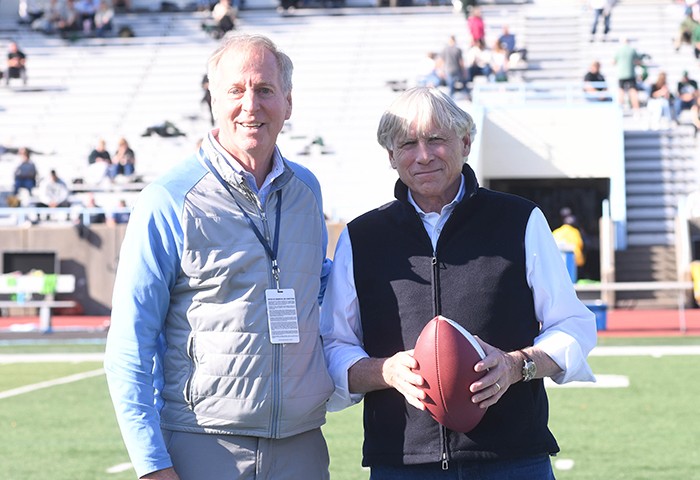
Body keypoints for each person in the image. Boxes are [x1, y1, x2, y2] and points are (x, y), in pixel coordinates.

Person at [320, 87, 597, 479]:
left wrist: (517, 366)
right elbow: (334, 345)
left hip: (513, 459)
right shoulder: (362, 236)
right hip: (402, 463)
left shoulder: (520, 220)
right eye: (408, 144)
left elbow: (573, 325)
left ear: (465, 143)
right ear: (390, 156)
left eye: (436, 139)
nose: (424, 155)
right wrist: (385, 372)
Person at [104, 33, 334, 480]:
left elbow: (318, 289)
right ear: (212, 99)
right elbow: (128, 346)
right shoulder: (168, 199)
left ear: (288, 102)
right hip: (204, 444)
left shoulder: (307, 192)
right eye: (236, 90)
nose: (251, 105)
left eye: (265, 90)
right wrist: (152, 465)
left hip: (302, 446)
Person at [613, 37, 640, 114]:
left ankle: (619, 109)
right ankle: (636, 110)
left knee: (621, 91)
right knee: (633, 91)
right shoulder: (632, 50)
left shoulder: (618, 50)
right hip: (630, 74)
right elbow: (637, 61)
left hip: (621, 74)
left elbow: (613, 62)